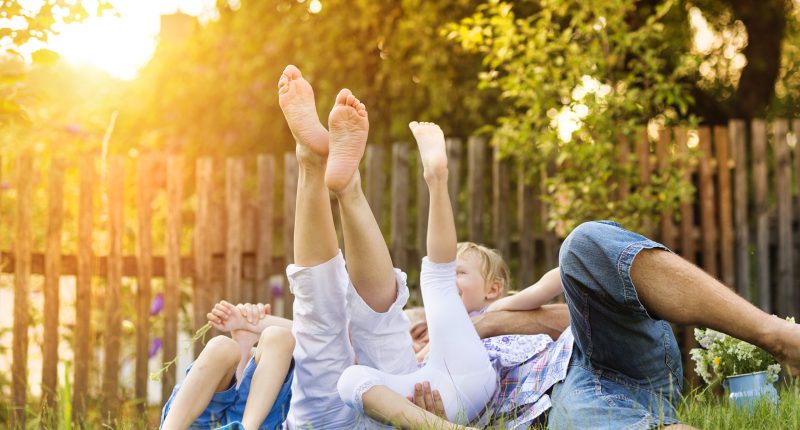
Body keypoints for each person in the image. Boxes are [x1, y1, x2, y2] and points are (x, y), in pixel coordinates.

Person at [414, 220, 800, 429]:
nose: (445, 281)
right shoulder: (420, 341)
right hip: (562, 400)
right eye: (438, 275)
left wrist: (487, 324)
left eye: (458, 272)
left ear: (492, 290)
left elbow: (579, 319)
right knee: (579, 418)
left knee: (580, 244)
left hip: (611, 354)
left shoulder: (504, 312)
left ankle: (778, 336)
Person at [336, 121, 498, 426]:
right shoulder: (422, 318)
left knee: (437, 279)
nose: (455, 279)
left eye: (462, 272)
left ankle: (437, 179)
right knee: (350, 381)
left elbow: (441, 275)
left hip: (467, 374)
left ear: (494, 288)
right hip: (424, 388)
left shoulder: (497, 309)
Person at [160, 301, 294, 430]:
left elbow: (311, 336)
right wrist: (248, 325)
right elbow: (309, 334)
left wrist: (249, 323)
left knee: (280, 337)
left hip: (256, 415)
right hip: (191, 418)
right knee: (223, 347)